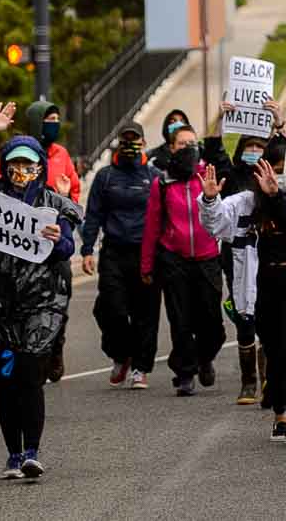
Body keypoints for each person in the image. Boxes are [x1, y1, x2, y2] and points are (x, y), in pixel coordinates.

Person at [0, 102, 80, 479]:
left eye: (29, 165)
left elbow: (66, 249)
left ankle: (32, 450)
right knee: (7, 381)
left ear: (39, 168)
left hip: (38, 301)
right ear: (5, 166)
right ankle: (13, 453)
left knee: (31, 375)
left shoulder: (51, 203)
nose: (21, 172)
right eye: (14, 163)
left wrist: (58, 238)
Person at [203, 137, 286, 445]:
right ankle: (278, 414)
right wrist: (210, 200)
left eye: (283, 170)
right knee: (276, 353)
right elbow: (215, 225)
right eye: (272, 169)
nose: (276, 176)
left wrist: (277, 195)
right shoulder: (246, 202)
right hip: (261, 289)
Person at [139, 122, 226, 396]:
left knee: (212, 321)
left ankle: (205, 357)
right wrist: (147, 264)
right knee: (180, 319)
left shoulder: (207, 176)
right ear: (171, 148)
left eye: (192, 144)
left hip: (208, 257)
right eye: (181, 144)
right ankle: (185, 372)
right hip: (174, 258)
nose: (187, 149)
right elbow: (152, 225)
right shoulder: (162, 183)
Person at [80, 125, 159, 389]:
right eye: (124, 139)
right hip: (113, 251)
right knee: (109, 309)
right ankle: (121, 354)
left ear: (143, 142)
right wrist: (87, 250)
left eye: (133, 139)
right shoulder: (105, 176)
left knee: (144, 312)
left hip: (145, 253)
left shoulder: (155, 176)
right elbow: (93, 215)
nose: (128, 144)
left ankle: (140, 367)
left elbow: (164, 217)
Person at [24, 101, 82, 204]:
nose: (56, 123)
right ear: (38, 122)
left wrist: (66, 200)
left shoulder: (61, 153)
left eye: (57, 119)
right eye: (51, 119)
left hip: (55, 217)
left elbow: (74, 189)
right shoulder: (18, 151)